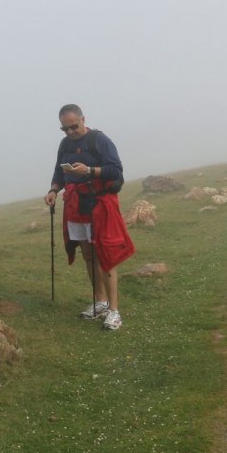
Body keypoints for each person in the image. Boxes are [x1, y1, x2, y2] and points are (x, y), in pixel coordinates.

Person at [43, 104, 135, 331]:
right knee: (88, 254)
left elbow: (116, 170)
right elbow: (58, 171)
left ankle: (114, 311)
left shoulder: (99, 140)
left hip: (99, 203)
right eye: (65, 129)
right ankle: (100, 302)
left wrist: (90, 171)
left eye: (74, 126)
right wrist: (54, 190)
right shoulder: (65, 144)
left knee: (106, 255)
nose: (70, 132)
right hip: (75, 205)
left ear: (83, 119)